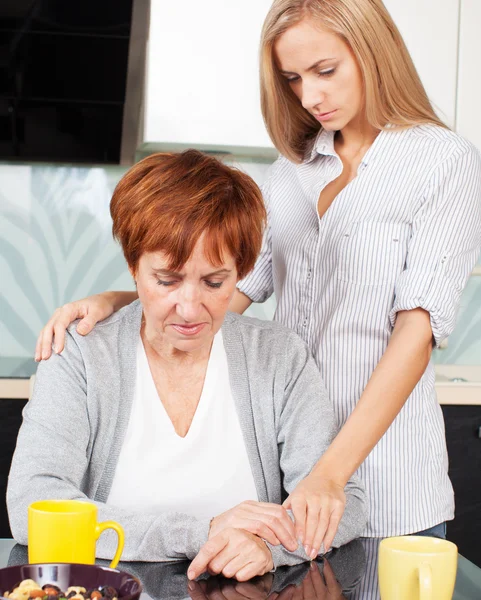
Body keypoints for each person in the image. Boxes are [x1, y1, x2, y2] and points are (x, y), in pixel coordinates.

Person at [34, 0, 481, 559]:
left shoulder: (443, 161)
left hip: (387, 477)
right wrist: (116, 300)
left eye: (326, 70)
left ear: (373, 51)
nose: (310, 96)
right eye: (293, 79)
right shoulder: (287, 176)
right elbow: (222, 294)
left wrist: (330, 473)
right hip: (288, 483)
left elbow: (416, 332)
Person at [8, 150, 366, 581]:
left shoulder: (278, 356)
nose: (190, 307)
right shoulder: (81, 355)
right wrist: (204, 532)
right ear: (133, 268)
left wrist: (270, 548)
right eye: (167, 280)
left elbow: (343, 501)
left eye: (215, 282)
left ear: (242, 272)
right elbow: (33, 502)